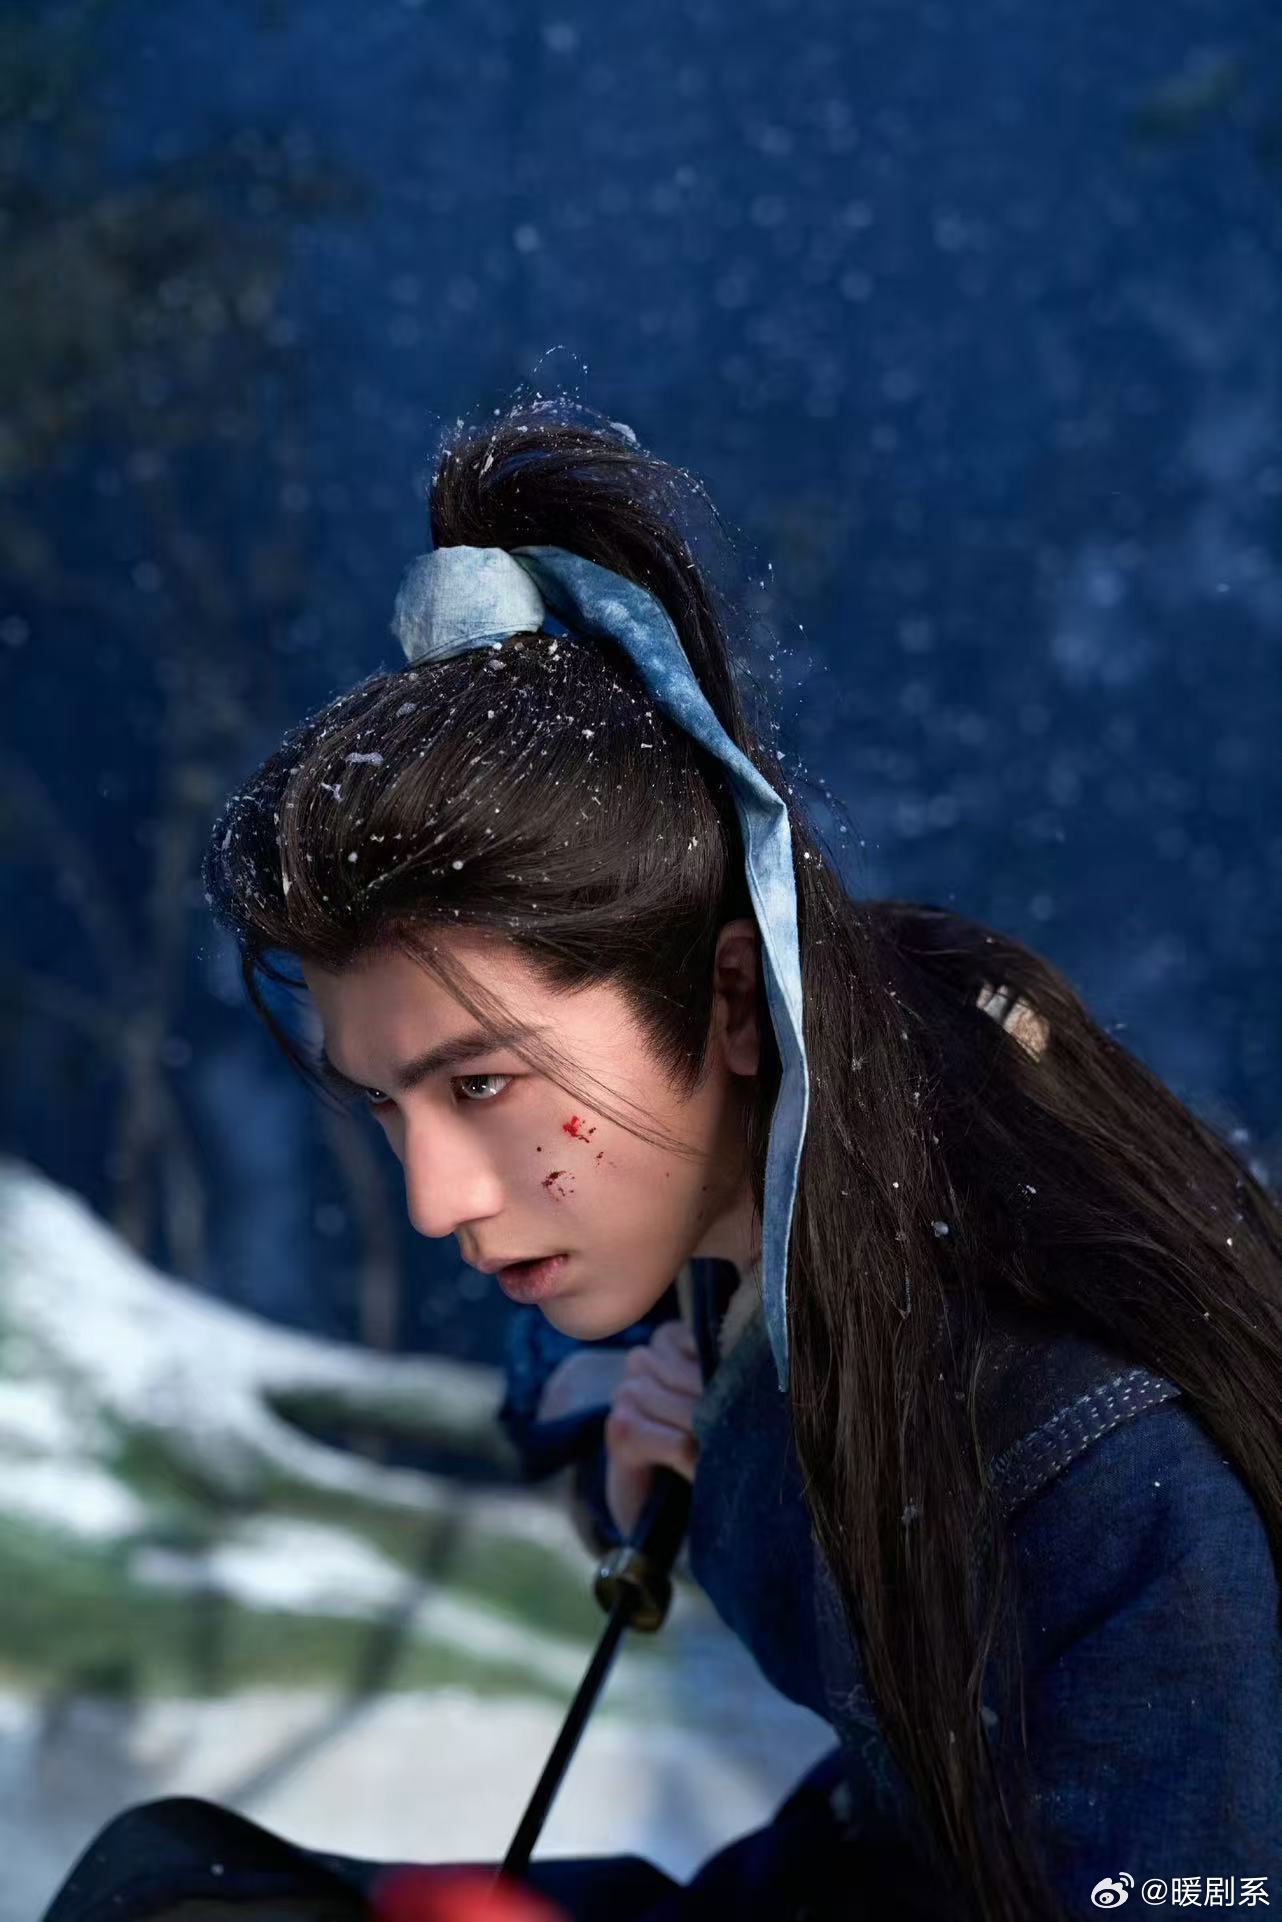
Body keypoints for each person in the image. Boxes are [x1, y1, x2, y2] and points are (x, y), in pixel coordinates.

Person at [39, 401, 1282, 1922]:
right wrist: (683, 1454)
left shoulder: (1102, 1469)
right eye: (387, 1108)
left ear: (732, 1000)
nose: (437, 1199)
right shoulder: (727, 1249)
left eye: (483, 1083)